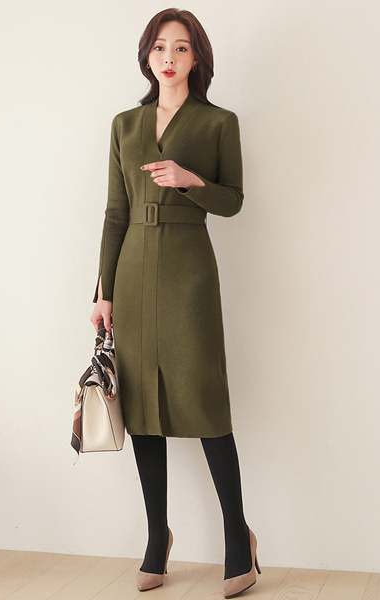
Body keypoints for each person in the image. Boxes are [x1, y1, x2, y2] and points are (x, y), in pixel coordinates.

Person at [90, 8, 260, 598]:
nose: (169, 57)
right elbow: (114, 212)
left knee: (205, 400)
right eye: (160, 47)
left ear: (197, 58)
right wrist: (103, 291)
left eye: (181, 48)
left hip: (189, 272)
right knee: (141, 409)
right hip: (133, 271)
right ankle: (155, 537)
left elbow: (234, 201)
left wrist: (191, 181)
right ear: (147, 55)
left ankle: (237, 537)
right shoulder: (124, 124)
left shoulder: (219, 122)